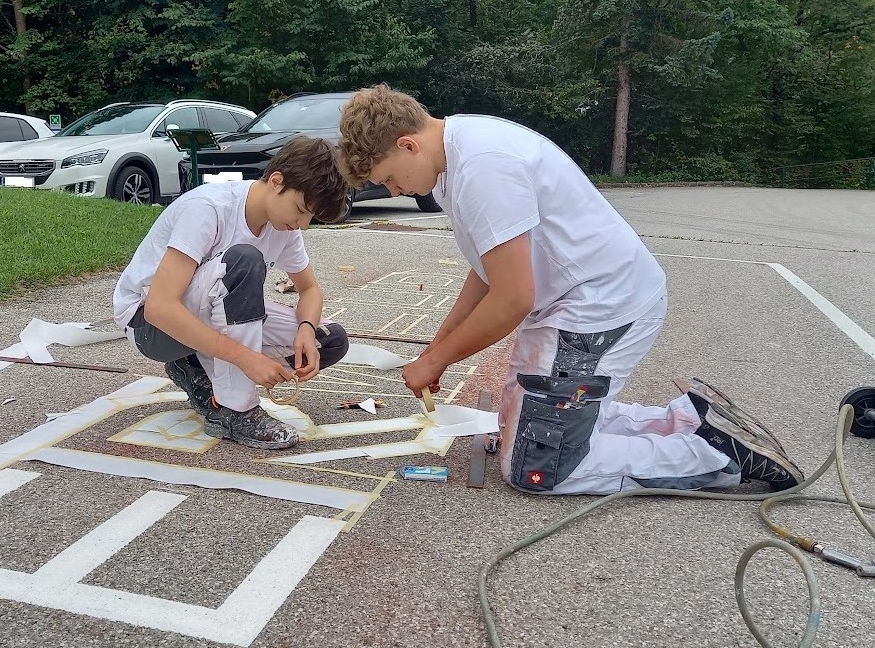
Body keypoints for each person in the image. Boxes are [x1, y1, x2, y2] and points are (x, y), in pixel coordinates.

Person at [338, 85, 804, 494]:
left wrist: (437, 360)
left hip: (599, 308)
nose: (395, 188)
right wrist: (438, 347)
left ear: (408, 144)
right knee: (520, 425)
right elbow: (485, 272)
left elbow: (512, 298)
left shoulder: (483, 167)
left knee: (538, 466)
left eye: (389, 176)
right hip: (570, 305)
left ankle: (719, 459)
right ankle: (687, 421)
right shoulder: (452, 161)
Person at [113, 136, 350, 450]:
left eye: (310, 217)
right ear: (277, 181)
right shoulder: (209, 208)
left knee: (330, 340)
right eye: (301, 210)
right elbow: (159, 307)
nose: (302, 225)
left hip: (203, 311)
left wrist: (306, 329)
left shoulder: (284, 226)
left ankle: (193, 366)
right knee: (244, 261)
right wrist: (246, 359)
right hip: (149, 325)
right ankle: (235, 410)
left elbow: (309, 289)